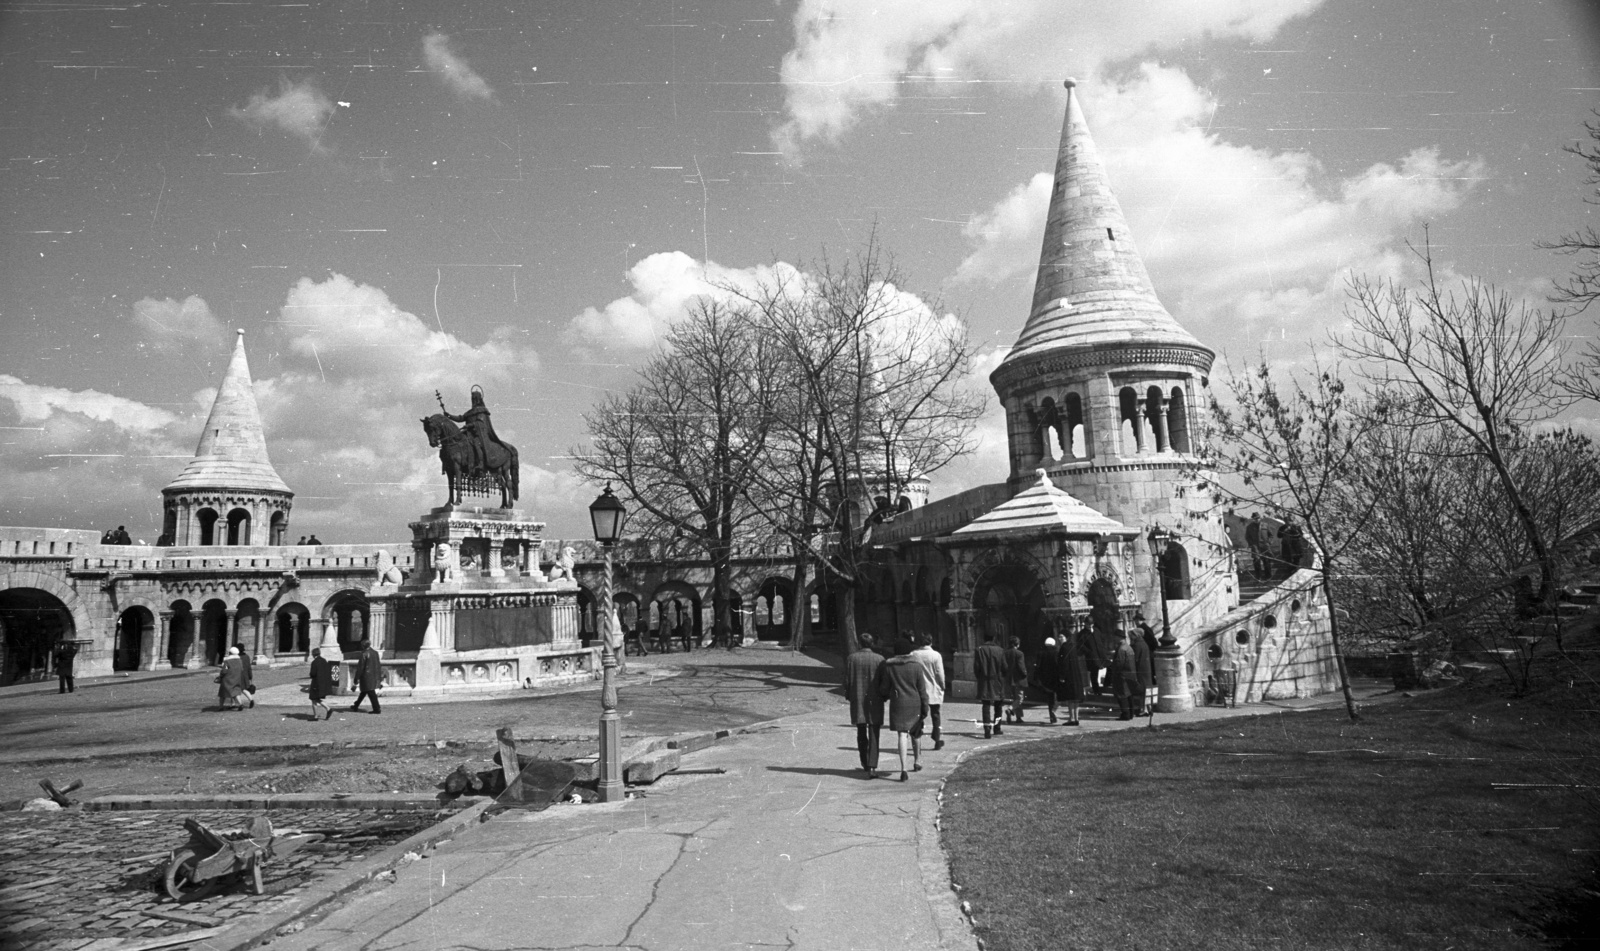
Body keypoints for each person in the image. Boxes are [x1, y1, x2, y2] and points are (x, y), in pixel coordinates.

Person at [875, 638, 930, 782]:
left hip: (898, 702)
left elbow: (885, 688)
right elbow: (922, 690)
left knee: (902, 734)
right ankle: (917, 760)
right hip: (915, 702)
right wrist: (925, 707)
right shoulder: (916, 666)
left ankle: (903, 769)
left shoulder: (889, 666)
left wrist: (884, 695)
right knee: (916, 733)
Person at [845, 633, 886, 778]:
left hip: (858, 698)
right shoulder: (880, 659)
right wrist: (883, 696)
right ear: (872, 643)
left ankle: (864, 761)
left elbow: (848, 680)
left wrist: (849, 696)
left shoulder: (852, 658)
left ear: (860, 644)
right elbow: (883, 682)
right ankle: (872, 765)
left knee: (861, 731)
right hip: (875, 700)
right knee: (874, 732)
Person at [909, 632, 945, 750]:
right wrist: (942, 685)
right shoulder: (936, 655)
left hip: (919, 690)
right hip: (933, 688)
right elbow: (939, 673)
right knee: (936, 714)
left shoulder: (913, 654)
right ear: (931, 641)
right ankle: (937, 739)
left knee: (919, 716)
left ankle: (917, 740)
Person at [973, 631, 1009, 738]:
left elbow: (976, 667)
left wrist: (980, 677)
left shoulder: (979, 650)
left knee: (986, 705)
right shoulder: (1000, 650)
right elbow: (1005, 667)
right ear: (994, 638)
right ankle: (997, 728)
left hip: (984, 681)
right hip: (997, 681)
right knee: (998, 706)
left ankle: (987, 729)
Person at [1056, 628, 1087, 726]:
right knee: (1075, 698)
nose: (1059, 638)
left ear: (1066, 637)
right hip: (1075, 675)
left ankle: (1071, 718)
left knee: (1070, 699)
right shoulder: (1072, 646)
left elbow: (1063, 663)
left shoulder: (1064, 647)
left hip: (1068, 676)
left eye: (1061, 637)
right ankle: (1076, 718)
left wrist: (1062, 676)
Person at [1110, 631, 1139, 720]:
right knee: (1129, 695)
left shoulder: (1121, 649)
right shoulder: (1129, 647)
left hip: (1122, 675)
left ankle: (1125, 714)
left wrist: (1112, 668)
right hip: (1130, 674)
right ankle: (1130, 714)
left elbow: (1119, 663)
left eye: (1115, 637)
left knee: (1122, 695)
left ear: (1119, 637)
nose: (1114, 639)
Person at [350, 640, 383, 714]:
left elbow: (360, 667)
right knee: (364, 691)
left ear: (363, 646)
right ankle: (356, 704)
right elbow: (378, 665)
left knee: (371, 692)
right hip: (374, 675)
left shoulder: (364, 654)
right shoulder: (375, 652)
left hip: (366, 676)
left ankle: (377, 708)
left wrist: (356, 678)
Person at [1034, 635, 1061, 724]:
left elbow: (1037, 666)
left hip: (1045, 678)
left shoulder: (1041, 653)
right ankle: (1054, 711)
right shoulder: (1057, 652)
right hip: (1055, 677)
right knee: (1058, 696)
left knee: (1050, 698)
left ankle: (1051, 715)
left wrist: (1036, 677)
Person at [1003, 636, 1029, 724]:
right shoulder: (1019, 653)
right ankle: (1010, 709)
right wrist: (1025, 674)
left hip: (1009, 679)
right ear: (1017, 644)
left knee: (1015, 698)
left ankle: (1019, 717)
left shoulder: (1005, 653)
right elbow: (1021, 667)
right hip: (1018, 679)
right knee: (1020, 699)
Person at [218, 646, 252, 711]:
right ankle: (240, 704)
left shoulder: (227, 661)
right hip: (237, 677)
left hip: (227, 678)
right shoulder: (239, 660)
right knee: (235, 692)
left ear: (230, 653)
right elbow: (241, 669)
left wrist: (221, 676)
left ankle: (221, 706)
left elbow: (224, 670)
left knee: (222, 693)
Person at [1080, 616, 1107, 694]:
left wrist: (1103, 649)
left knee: (1109, 667)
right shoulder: (1083, 633)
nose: (1090, 626)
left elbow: (1101, 640)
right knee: (1094, 673)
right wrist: (1089, 652)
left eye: (1091, 624)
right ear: (1085, 624)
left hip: (1101, 654)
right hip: (1092, 657)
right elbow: (1081, 645)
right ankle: (1096, 690)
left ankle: (1107, 684)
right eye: (1088, 624)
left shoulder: (1096, 630)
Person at [308, 647, 334, 721]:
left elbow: (312, 674)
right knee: (317, 698)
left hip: (316, 683)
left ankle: (316, 716)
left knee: (313, 699)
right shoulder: (324, 660)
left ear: (313, 654)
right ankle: (328, 709)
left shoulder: (314, 662)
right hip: (323, 683)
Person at [1245, 512, 1268, 579]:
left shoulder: (1265, 525)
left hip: (1264, 546)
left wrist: (1268, 542)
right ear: (1253, 519)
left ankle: (1268, 576)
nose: (1257, 520)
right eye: (1255, 518)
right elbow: (1247, 537)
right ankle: (1258, 577)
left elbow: (1270, 535)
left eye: (1258, 518)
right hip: (1255, 547)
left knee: (1266, 561)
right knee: (1256, 562)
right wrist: (1251, 544)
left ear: (1260, 518)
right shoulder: (1249, 527)